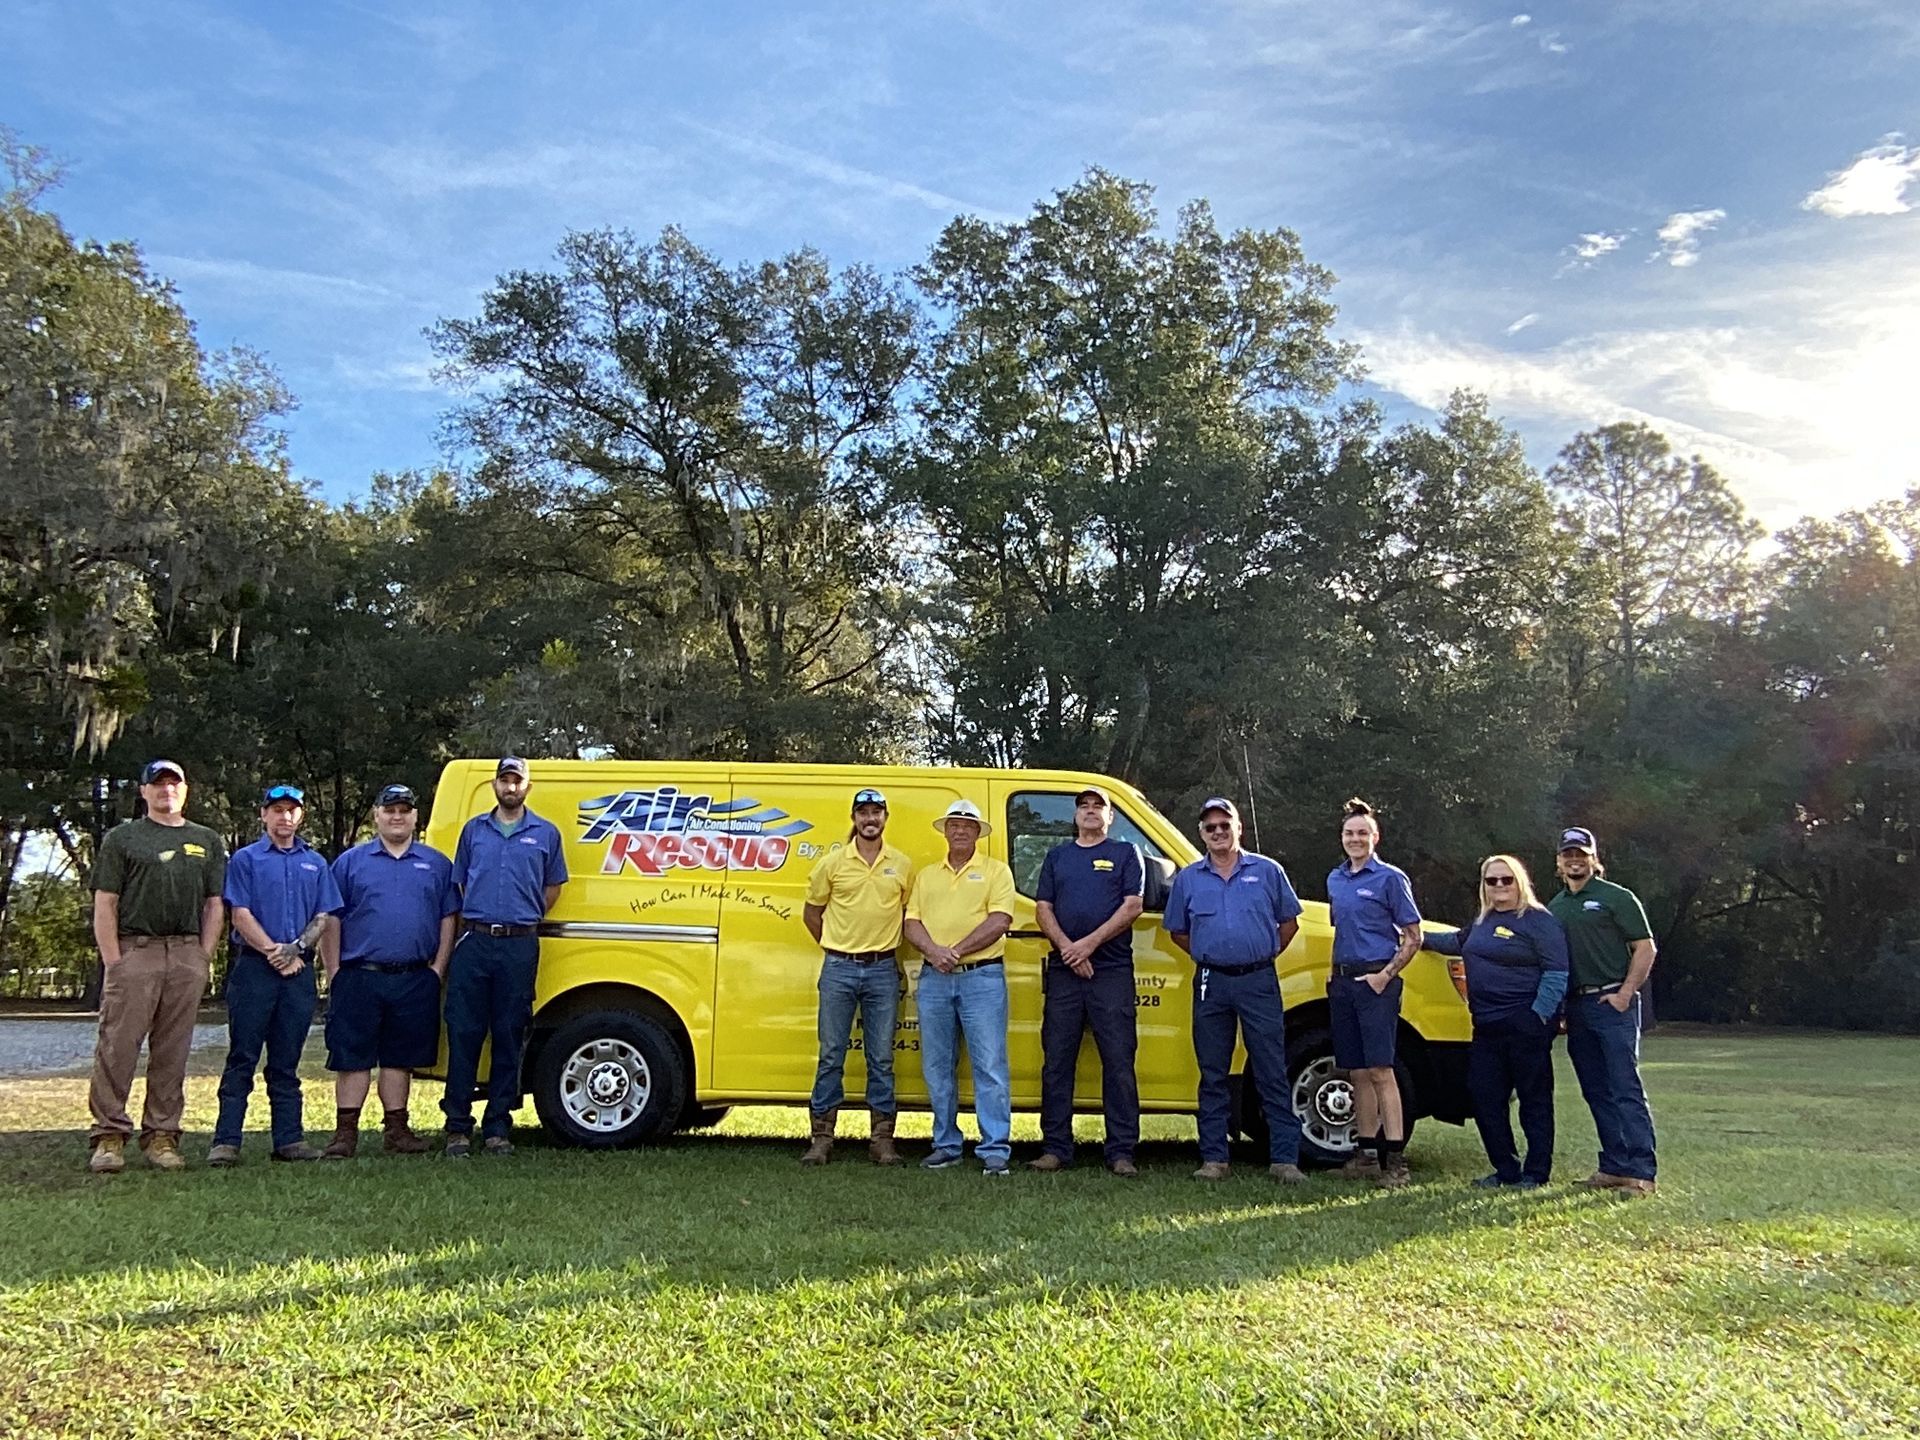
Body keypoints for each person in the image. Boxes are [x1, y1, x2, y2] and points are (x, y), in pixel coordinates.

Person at [85, 759, 229, 1174]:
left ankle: (162, 1135)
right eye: (158, 784)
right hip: (136, 950)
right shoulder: (124, 838)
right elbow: (105, 902)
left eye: (174, 783)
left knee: (173, 1051)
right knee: (118, 1047)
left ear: (186, 790)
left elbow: (214, 903)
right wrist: (114, 960)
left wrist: (203, 955)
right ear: (144, 792)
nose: (167, 790)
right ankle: (109, 1136)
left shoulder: (207, 840)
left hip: (184, 954)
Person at [1163, 796, 1308, 1185]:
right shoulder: (1189, 879)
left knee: (1271, 1068)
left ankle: (1284, 1160)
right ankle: (1214, 1158)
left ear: (1238, 827)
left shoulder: (1267, 871)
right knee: (1212, 1072)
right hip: (1212, 982)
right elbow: (1177, 930)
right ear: (1202, 834)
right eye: (1210, 827)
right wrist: (1207, 954)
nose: (1218, 832)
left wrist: (1263, 952)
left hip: (1258, 981)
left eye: (1225, 825)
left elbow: (1289, 922)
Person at [318, 784, 459, 1159]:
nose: (397, 816)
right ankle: (345, 1133)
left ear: (415, 817)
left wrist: (437, 969)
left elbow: (449, 918)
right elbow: (331, 917)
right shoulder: (350, 862)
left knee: (400, 1058)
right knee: (352, 1057)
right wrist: (334, 971)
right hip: (359, 974)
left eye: (404, 810)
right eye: (389, 810)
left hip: (415, 977)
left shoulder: (437, 864)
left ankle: (396, 1130)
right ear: (376, 816)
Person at [209, 783, 344, 1166]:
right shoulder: (246, 860)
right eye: (277, 810)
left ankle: (289, 1140)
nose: (284, 817)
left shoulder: (316, 863)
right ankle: (226, 1141)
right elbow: (240, 913)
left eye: (291, 810)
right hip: (254, 969)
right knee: (242, 1057)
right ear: (264, 815)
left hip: (297, 973)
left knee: (287, 1062)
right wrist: (274, 952)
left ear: (300, 816)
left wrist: (298, 950)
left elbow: (324, 915)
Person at [443, 756, 569, 1157]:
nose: (510, 787)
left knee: (509, 1035)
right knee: (464, 1034)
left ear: (527, 788)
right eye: (504, 781)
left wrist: (521, 918)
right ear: (494, 786)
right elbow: (459, 885)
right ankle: (457, 1128)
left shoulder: (545, 834)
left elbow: (552, 889)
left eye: (517, 781)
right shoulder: (473, 831)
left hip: (519, 945)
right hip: (475, 942)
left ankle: (498, 1126)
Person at [1423, 855, 1568, 1188]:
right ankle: (1506, 1169)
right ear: (1483, 885)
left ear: (1520, 882)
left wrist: (1537, 1016)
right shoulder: (1482, 921)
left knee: (1534, 1100)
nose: (1500, 886)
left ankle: (1535, 1173)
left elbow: (1556, 972)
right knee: (1484, 1097)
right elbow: (1455, 942)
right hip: (1485, 1026)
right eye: (1492, 881)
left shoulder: (1538, 921)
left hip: (1525, 1023)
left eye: (1507, 880)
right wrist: (1415, 938)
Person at [1029, 786, 1145, 1177]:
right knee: (1057, 1062)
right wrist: (1068, 950)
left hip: (1111, 972)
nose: (1092, 812)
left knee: (1118, 1062)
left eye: (1100, 807)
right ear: (1075, 816)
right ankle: (1056, 1148)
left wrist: (1087, 946)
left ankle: (1121, 1151)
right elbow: (1042, 908)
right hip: (1064, 974)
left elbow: (1133, 906)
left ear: (1111, 817)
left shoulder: (1125, 855)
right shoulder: (1058, 857)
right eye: (1085, 807)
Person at [799, 786, 914, 1166]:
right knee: (831, 1054)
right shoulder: (832, 863)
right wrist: (835, 947)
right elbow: (812, 913)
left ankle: (882, 1141)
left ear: (885, 818)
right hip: (838, 969)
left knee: (880, 1058)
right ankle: (821, 1138)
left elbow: (909, 915)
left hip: (883, 969)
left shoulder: (902, 864)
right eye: (863, 813)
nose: (870, 819)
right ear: (853, 818)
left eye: (876, 812)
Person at [904, 798, 1016, 1176]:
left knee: (990, 1065)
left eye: (967, 825)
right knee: (937, 1066)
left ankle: (995, 1148)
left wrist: (955, 951)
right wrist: (936, 953)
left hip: (981, 976)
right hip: (935, 977)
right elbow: (911, 922)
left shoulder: (996, 872)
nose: (960, 829)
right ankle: (945, 1144)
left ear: (978, 832)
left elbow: (1000, 919)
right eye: (954, 823)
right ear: (945, 830)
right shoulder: (927, 875)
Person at [1548, 827, 1659, 1197]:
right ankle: (1614, 1165)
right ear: (1559, 861)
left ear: (1594, 858)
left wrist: (1626, 993)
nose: (1575, 861)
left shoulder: (1616, 897)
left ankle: (1642, 1171)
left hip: (1612, 1002)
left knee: (1625, 1086)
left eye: (1581, 854)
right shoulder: (1556, 906)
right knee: (1596, 1090)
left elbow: (1645, 948)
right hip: (1578, 1007)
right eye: (1568, 855)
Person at [1324, 798, 1423, 1188]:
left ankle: (1395, 1162)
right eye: (1349, 833)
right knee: (1357, 1071)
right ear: (1342, 837)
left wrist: (1385, 975)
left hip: (1376, 982)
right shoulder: (1335, 879)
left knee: (1382, 1070)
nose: (1355, 839)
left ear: (1375, 837)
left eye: (1363, 833)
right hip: (1344, 983)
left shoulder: (1390, 879)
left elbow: (1414, 936)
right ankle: (1366, 1154)